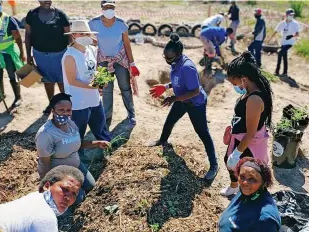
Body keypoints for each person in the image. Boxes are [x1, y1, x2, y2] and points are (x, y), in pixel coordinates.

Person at [148, 34, 218, 181]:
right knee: (170, 120)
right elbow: (179, 81)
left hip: (195, 104)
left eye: (170, 58)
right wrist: (165, 86)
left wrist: (173, 98)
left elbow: (195, 90)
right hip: (182, 99)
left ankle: (214, 165)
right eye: (165, 57)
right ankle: (163, 141)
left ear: (179, 54)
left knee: (202, 132)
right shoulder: (175, 63)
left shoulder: (187, 67)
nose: (167, 60)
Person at [35, 93, 110, 203]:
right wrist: (47, 185)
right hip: (60, 173)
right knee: (79, 198)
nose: (65, 113)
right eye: (61, 110)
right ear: (53, 110)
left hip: (76, 165)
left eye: (68, 110)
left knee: (91, 186)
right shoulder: (45, 134)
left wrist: (96, 143)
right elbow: (44, 163)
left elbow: (77, 143)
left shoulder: (70, 124)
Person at [220, 51, 273, 196]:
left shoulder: (255, 99)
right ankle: (233, 187)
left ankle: (248, 197)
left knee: (246, 172)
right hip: (238, 137)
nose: (234, 86)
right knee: (229, 162)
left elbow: (250, 132)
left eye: (234, 83)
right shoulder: (250, 91)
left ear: (243, 79)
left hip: (248, 143)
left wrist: (236, 153)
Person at [89, 0, 140, 127]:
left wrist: (132, 63)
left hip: (120, 60)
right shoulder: (93, 23)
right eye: (106, 7)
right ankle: (106, 117)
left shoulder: (121, 24)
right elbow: (91, 42)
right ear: (101, 8)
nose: (109, 9)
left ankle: (131, 114)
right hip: (103, 61)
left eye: (111, 7)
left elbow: (127, 45)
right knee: (106, 90)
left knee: (125, 88)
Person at [62, 20, 112, 144]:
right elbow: (72, 81)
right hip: (78, 101)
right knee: (78, 132)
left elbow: (93, 70)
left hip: (94, 98)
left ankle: (106, 145)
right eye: (81, 34)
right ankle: (76, 154)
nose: (85, 36)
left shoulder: (90, 50)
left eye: (87, 34)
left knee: (101, 126)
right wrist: (93, 86)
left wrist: (101, 79)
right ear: (73, 35)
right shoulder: (70, 56)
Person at [0, 165, 84, 232]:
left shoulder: (35, 197)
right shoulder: (46, 217)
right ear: (47, 186)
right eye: (65, 189)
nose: (68, 197)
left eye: (74, 194)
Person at [25, 0, 72, 115]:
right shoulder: (32, 14)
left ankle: (66, 105)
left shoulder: (60, 15)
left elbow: (69, 36)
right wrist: (28, 55)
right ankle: (52, 104)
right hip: (40, 55)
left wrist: (73, 54)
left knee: (62, 81)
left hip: (60, 54)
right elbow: (28, 35)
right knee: (48, 81)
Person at [218, 157, 281, 232]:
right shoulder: (246, 192)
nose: (244, 183)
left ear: (264, 183)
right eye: (242, 177)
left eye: (252, 179)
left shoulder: (265, 220)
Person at [0, 0, 24, 108]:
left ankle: (18, 97)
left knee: (12, 76)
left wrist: (22, 53)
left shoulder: (8, 19)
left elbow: (18, 37)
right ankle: (0, 95)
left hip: (8, 53)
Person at [267, 8, 300, 77]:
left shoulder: (295, 24)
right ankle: (285, 72)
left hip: (290, 43)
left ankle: (276, 71)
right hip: (283, 42)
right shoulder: (282, 23)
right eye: (290, 15)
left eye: (293, 15)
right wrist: (269, 39)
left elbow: (297, 34)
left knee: (280, 53)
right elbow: (276, 31)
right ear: (286, 15)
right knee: (284, 57)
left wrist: (291, 36)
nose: (292, 16)